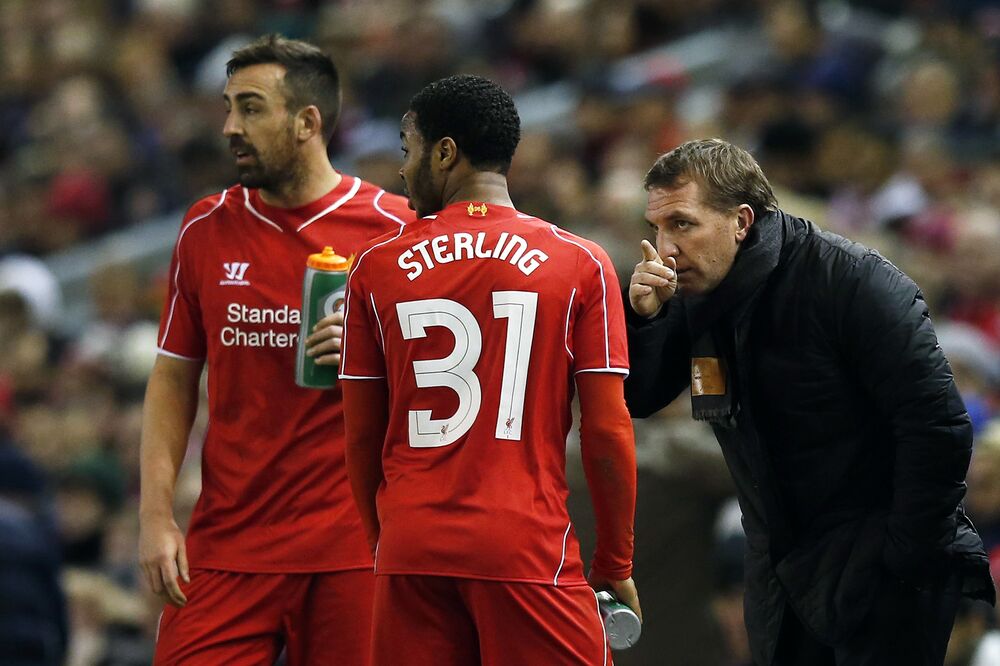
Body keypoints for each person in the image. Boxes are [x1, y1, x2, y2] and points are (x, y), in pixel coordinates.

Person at [624, 137, 995, 666]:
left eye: (682, 224)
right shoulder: (694, 292)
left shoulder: (853, 280)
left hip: (881, 574)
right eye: (657, 227)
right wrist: (647, 319)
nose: (665, 248)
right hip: (780, 576)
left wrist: (904, 557)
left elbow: (938, 427)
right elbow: (641, 395)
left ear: (741, 221)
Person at [339, 74, 640, 665]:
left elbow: (360, 435)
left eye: (408, 149)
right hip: (524, 545)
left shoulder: (374, 267)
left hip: (411, 548)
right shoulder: (581, 262)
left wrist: (386, 543)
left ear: (445, 153)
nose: (402, 169)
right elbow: (607, 432)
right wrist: (615, 562)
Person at [138, 34, 413, 665]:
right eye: (228, 107)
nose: (230, 127)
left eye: (252, 108)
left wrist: (376, 352)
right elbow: (173, 378)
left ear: (307, 122)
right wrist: (155, 517)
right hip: (229, 544)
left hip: (356, 545)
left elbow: (450, 381)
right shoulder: (206, 227)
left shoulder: (395, 231)